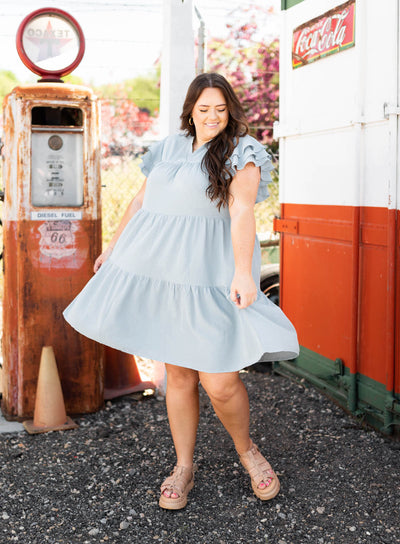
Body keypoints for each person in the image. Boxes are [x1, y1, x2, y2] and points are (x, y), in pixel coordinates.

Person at [63, 72, 299, 510]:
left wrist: (245, 275)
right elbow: (140, 202)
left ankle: (248, 452)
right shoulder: (169, 147)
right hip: (167, 276)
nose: (212, 117)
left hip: (212, 278)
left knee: (221, 381)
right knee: (180, 377)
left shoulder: (240, 150)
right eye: (203, 108)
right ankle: (184, 466)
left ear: (230, 111)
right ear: (190, 108)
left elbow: (243, 209)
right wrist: (112, 249)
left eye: (220, 109)